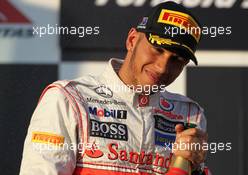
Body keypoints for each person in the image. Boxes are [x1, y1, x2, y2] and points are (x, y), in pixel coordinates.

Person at [20, 1, 210, 175]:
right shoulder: (69, 99)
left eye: (177, 59)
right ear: (132, 40)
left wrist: (196, 168)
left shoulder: (189, 115)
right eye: (157, 49)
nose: (162, 67)